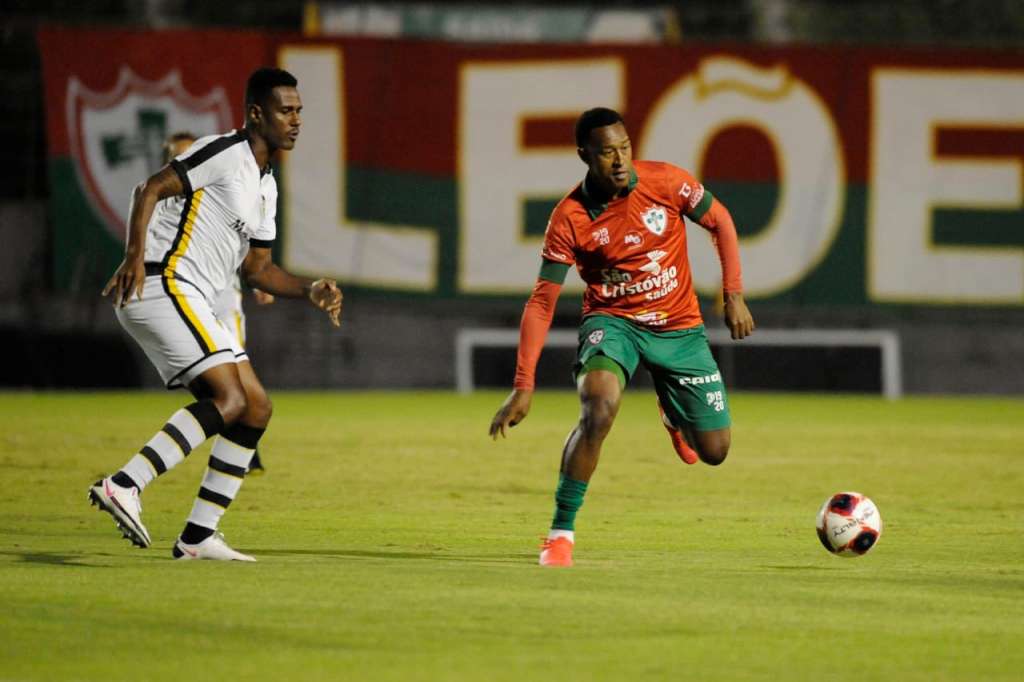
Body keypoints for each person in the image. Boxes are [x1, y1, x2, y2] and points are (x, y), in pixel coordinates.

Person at [90, 67, 342, 561]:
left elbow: (259, 270)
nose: (295, 121)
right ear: (255, 114)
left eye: (299, 112)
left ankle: (198, 536)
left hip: (190, 296)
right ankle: (125, 484)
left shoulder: (266, 185)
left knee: (256, 406)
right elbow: (151, 189)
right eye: (285, 111)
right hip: (161, 283)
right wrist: (134, 255)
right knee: (228, 397)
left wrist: (310, 289)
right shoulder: (225, 153)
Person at [488, 107, 754, 568]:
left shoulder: (666, 182)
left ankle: (672, 415)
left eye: (625, 148)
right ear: (584, 156)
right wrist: (523, 384)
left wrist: (732, 294)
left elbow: (722, 222)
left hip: (679, 329)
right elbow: (541, 302)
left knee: (715, 452)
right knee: (599, 408)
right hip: (614, 325)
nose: (619, 161)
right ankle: (560, 534)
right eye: (607, 152)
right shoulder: (569, 218)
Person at [162, 132, 275, 474]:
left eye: (190, 154)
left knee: (236, 367)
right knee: (219, 378)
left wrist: (260, 278)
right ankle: (235, 433)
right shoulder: (167, 199)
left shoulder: (225, 186)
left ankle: (243, 441)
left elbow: (242, 237)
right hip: (183, 290)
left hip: (223, 293)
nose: (187, 161)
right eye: (177, 157)